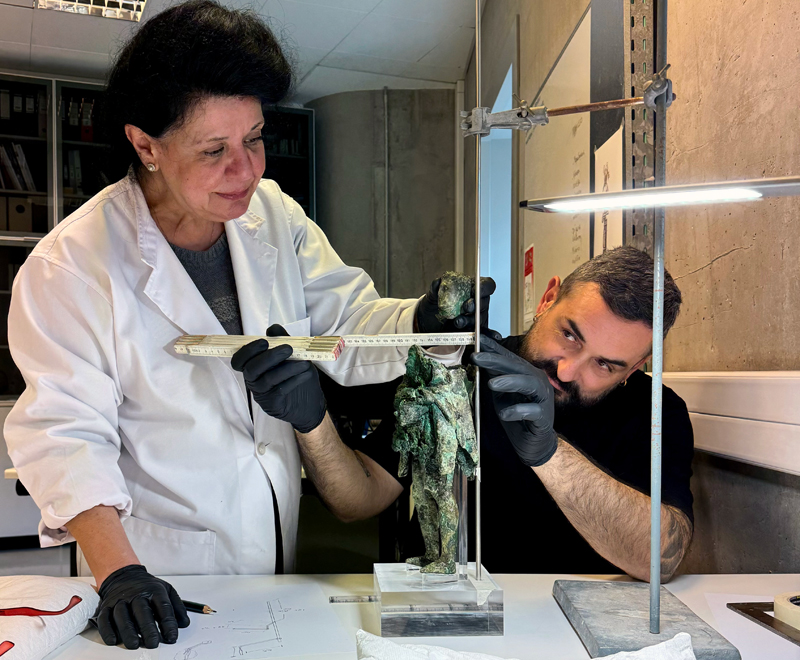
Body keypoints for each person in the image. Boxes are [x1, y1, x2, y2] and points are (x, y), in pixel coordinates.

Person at [3, 0, 494, 650]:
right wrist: (120, 571)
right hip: (158, 569)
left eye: (254, 138)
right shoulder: (71, 267)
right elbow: (66, 435)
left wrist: (419, 320)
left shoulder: (272, 213)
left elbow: (347, 322)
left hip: (274, 543)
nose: (247, 170)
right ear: (146, 145)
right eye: (214, 150)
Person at [469, 246, 694, 581]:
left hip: (581, 607)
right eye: (569, 335)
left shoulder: (658, 412)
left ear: (635, 367)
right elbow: (380, 490)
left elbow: (661, 560)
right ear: (547, 300)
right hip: (453, 602)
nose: (566, 371)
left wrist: (550, 455)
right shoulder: (471, 369)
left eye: (603, 364)